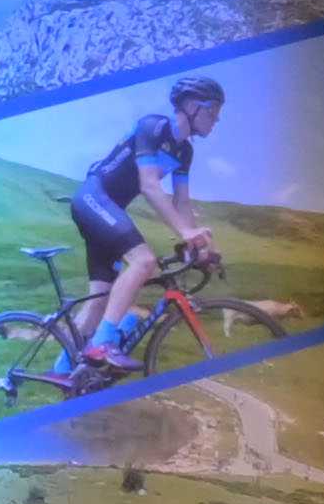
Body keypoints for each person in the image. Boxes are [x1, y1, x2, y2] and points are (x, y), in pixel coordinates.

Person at [73, 75, 226, 355]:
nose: (216, 119)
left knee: (99, 301)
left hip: (108, 212)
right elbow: (149, 185)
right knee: (143, 261)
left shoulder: (185, 152)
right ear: (191, 106)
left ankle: (63, 372)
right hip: (93, 199)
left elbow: (182, 202)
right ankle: (101, 345)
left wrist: (198, 247)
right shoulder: (153, 127)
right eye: (212, 110)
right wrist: (185, 232)